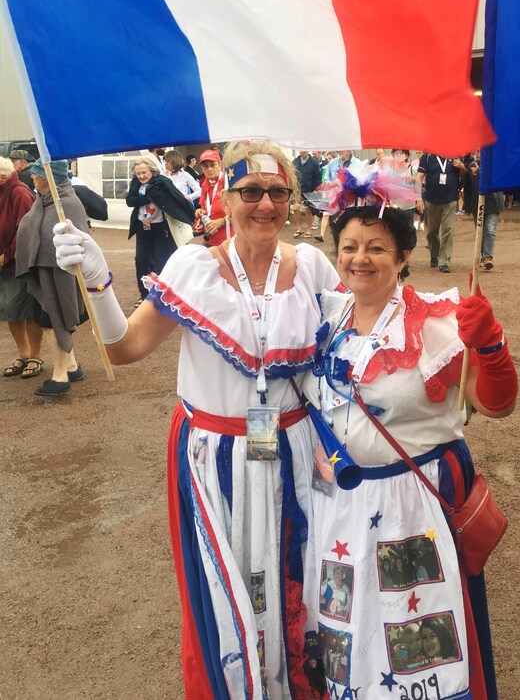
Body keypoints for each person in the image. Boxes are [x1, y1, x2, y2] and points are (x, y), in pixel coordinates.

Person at [53, 141, 341, 699]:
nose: (265, 205)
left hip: (297, 452)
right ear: (226, 197)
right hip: (216, 461)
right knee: (224, 594)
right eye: (250, 192)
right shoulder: (195, 267)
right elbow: (123, 349)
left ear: (291, 198)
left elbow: (345, 355)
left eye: (277, 192)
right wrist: (96, 278)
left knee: (300, 580)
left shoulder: (313, 267)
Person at [301, 164, 518, 700]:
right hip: (340, 509)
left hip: (409, 508)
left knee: (413, 642)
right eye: (349, 246)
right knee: (348, 632)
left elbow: (496, 405)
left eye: (375, 247)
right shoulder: (325, 319)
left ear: (401, 256)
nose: (359, 258)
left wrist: (489, 345)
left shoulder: (434, 323)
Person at [14, 160, 90, 396]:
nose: (32, 179)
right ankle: (71, 366)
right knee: (49, 321)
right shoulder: (42, 202)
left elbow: (79, 243)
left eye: (36, 176)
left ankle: (60, 377)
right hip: (44, 273)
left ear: (48, 179)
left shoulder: (68, 203)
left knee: (52, 323)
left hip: (61, 276)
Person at [125, 154, 195, 306]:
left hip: (161, 228)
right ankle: (144, 295)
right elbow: (130, 201)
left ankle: (162, 294)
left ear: (152, 170)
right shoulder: (136, 184)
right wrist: (149, 198)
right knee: (141, 260)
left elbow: (178, 198)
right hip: (143, 227)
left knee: (160, 261)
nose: (141, 176)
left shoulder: (162, 182)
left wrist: (192, 216)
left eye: (144, 172)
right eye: (138, 173)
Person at [0, 157, 44, 380]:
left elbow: (25, 229)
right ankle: (23, 354)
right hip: (4, 263)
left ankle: (35, 355)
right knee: (9, 311)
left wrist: (7, 255)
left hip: (18, 262)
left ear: (2, 177)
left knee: (27, 310)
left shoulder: (19, 192)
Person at [416, 152, 467, 273]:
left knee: (448, 229)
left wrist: (462, 167)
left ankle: (444, 262)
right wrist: (418, 198)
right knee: (432, 231)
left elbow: (464, 175)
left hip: (450, 199)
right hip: (432, 200)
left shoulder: (455, 156)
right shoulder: (427, 157)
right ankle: (435, 255)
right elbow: (419, 176)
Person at [194, 148, 228, 247]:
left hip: (227, 239)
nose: (209, 169)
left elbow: (240, 212)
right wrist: (200, 212)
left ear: (220, 165)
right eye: (205, 166)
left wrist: (221, 221)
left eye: (212, 165)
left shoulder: (228, 182)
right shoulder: (205, 183)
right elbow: (205, 208)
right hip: (210, 237)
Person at [291, 151, 322, 238]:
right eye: (301, 152)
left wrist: (315, 189)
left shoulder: (313, 162)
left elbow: (318, 177)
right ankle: (299, 229)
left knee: (309, 210)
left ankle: (309, 230)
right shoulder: (295, 162)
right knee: (296, 209)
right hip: (297, 190)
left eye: (303, 152)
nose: (302, 154)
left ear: (307, 152)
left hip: (309, 190)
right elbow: (291, 175)